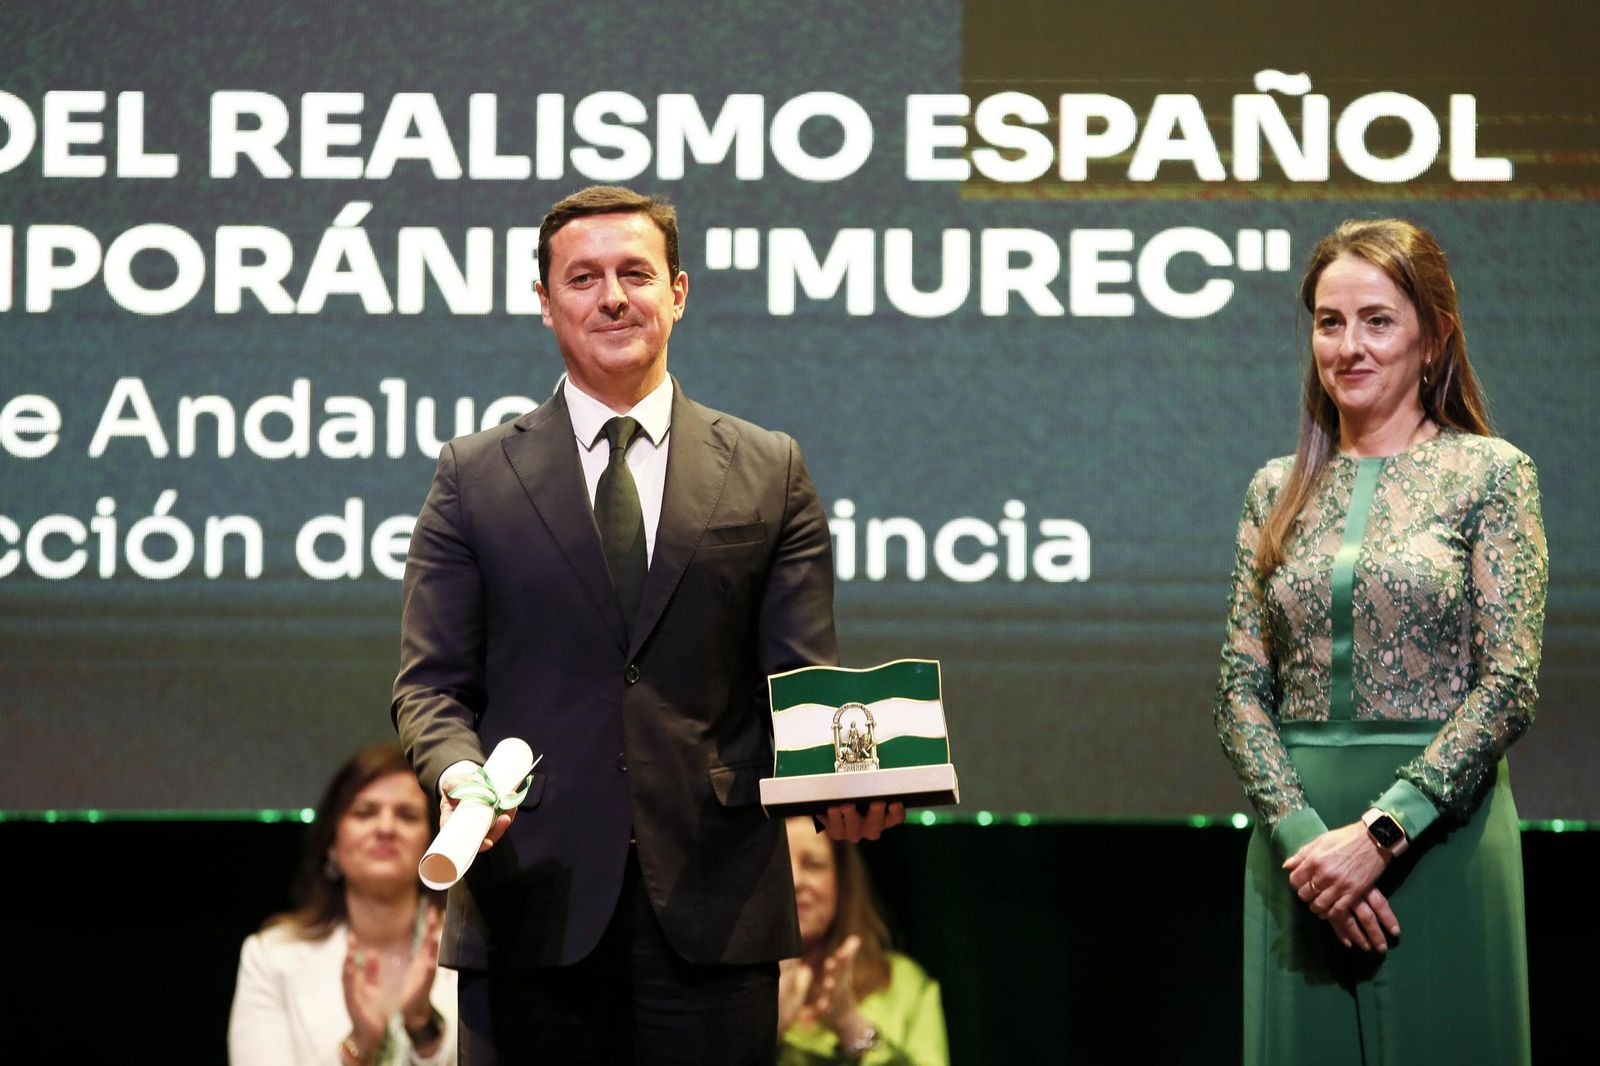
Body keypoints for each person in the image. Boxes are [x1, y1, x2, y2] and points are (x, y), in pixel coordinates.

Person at [391, 185, 903, 1065]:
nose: (613, 298)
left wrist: (847, 785)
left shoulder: (769, 469)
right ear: (545, 300)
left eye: (635, 273)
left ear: (679, 292)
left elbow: (801, 682)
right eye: (583, 278)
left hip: (716, 907)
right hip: (530, 900)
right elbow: (431, 687)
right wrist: (459, 775)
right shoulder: (473, 476)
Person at [1214, 218, 1546, 1064]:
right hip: (1298, 857)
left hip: (1442, 843)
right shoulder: (1272, 490)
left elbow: (1510, 683)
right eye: (1330, 322)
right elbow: (1240, 691)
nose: (1349, 346)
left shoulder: (1491, 474)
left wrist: (1382, 834)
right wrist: (1305, 844)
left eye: (1377, 321)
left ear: (1433, 339)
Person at [228, 744, 456, 1066]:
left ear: (431, 841)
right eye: (365, 813)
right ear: (332, 844)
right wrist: (360, 1046)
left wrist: (424, 1028)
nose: (386, 828)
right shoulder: (271, 957)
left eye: (406, 815)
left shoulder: (471, 949)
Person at [778, 819, 948, 1066]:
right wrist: (764, 1031)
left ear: (841, 879)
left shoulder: (899, 982)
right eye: (780, 867)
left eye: (813, 865)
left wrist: (851, 1028)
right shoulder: (732, 988)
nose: (794, 881)